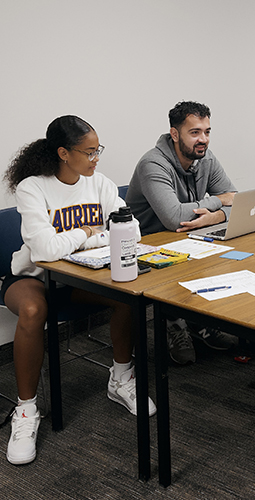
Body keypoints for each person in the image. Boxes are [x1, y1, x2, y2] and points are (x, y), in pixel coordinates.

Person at [1, 116, 156, 466]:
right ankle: (25, 412)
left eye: (97, 150)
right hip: (33, 278)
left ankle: (120, 379)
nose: (96, 158)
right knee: (31, 311)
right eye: (89, 152)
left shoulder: (98, 183)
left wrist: (86, 237)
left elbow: (131, 231)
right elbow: (41, 252)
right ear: (63, 153)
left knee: (128, 298)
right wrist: (88, 234)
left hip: (78, 278)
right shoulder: (32, 188)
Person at [127, 101, 237, 365]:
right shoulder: (152, 164)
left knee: (237, 254)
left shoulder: (205, 158)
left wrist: (217, 216)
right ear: (174, 134)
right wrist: (215, 202)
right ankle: (175, 323)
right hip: (149, 246)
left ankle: (198, 321)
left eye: (207, 131)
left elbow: (235, 198)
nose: (203, 140)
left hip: (186, 238)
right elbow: (173, 217)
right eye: (195, 132)